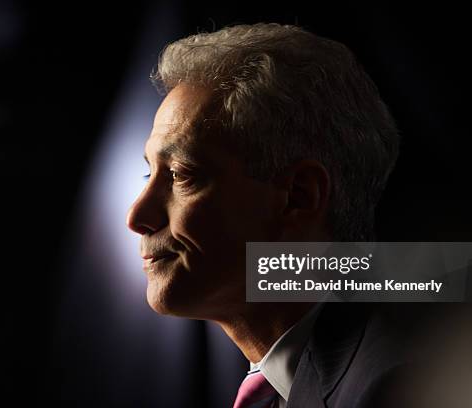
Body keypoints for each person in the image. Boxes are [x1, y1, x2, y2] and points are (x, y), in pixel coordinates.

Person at [126, 23, 406, 408]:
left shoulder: (399, 386)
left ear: (298, 196)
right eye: (149, 173)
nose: (137, 216)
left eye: (180, 175)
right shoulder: (293, 384)